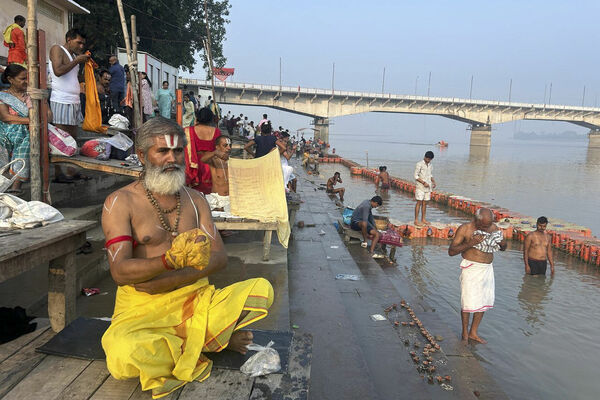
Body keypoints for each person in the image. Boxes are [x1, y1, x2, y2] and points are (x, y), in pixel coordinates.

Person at [100, 117, 273, 398]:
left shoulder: (196, 200)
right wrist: (168, 261)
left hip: (195, 298)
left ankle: (195, 339)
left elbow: (219, 258)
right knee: (122, 354)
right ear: (142, 155)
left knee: (261, 290)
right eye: (163, 152)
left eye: (178, 151)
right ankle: (208, 340)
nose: (172, 159)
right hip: (143, 309)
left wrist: (170, 278)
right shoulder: (120, 202)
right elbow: (120, 271)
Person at [448, 208, 507, 344]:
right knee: (468, 301)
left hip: (487, 269)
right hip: (471, 268)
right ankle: (464, 333)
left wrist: (502, 243)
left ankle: (473, 332)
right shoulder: (465, 229)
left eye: (488, 225)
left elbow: (503, 247)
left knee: (483, 301)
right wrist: (470, 243)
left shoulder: (493, 228)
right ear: (477, 220)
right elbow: (451, 251)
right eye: (484, 226)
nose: (487, 228)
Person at [0, 65, 50, 195]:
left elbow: (48, 116)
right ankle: (5, 177)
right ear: (10, 79)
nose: (26, 81)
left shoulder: (32, 95)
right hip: (6, 131)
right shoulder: (3, 96)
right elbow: (6, 117)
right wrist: (32, 121)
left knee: (28, 138)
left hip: (27, 133)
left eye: (27, 78)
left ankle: (16, 184)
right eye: (22, 78)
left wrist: (42, 100)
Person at [49, 28, 89, 182]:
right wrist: (77, 61)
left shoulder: (73, 56)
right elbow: (58, 71)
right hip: (61, 100)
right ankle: (59, 174)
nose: (81, 46)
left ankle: (72, 171)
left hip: (74, 101)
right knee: (61, 139)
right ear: (69, 39)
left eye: (83, 44)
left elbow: (73, 76)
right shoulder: (57, 49)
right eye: (78, 42)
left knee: (72, 139)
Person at [184, 107, 221, 194]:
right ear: (211, 118)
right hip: (210, 166)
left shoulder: (188, 130)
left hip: (193, 165)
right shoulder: (217, 132)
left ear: (197, 117)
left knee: (193, 195)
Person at [414, 151, 436, 226]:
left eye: (430, 159)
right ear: (425, 157)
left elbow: (430, 175)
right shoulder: (419, 164)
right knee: (419, 202)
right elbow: (416, 176)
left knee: (425, 203)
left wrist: (433, 181)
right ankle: (416, 220)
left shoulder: (430, 165)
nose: (428, 160)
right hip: (420, 186)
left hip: (428, 187)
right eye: (428, 159)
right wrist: (423, 182)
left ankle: (423, 219)